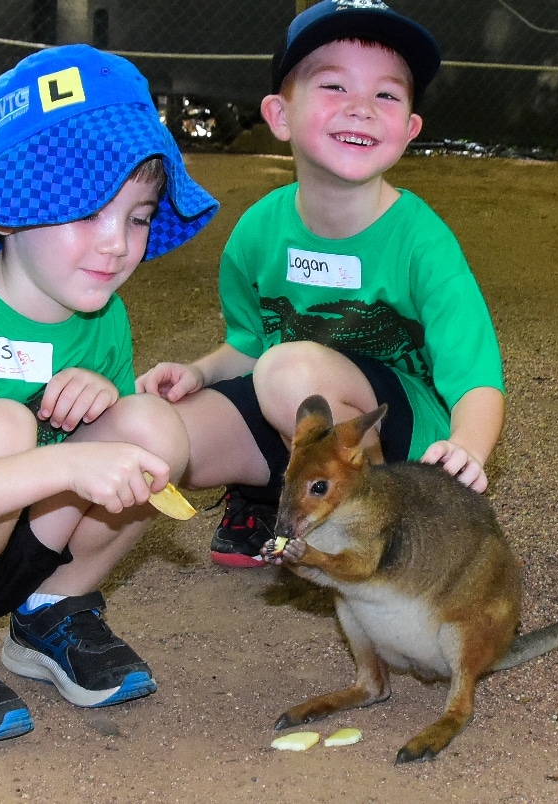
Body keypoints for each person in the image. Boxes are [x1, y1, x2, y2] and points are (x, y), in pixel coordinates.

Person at [0, 44, 218, 747]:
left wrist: (103, 401)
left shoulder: (103, 318)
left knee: (152, 428)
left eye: (137, 216)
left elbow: (108, 464)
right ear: (8, 212)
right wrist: (64, 464)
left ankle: (48, 615)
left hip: (16, 555)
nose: (117, 245)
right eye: (85, 211)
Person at [137, 0, 505, 568]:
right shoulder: (258, 231)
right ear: (279, 115)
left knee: (289, 371)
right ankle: (269, 496)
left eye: (386, 94)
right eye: (334, 86)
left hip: (396, 437)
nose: (361, 108)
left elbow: (476, 378)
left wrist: (468, 449)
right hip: (292, 416)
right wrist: (200, 372)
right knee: (153, 434)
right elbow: (248, 344)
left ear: (409, 129)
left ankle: (385, 523)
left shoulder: (422, 241)